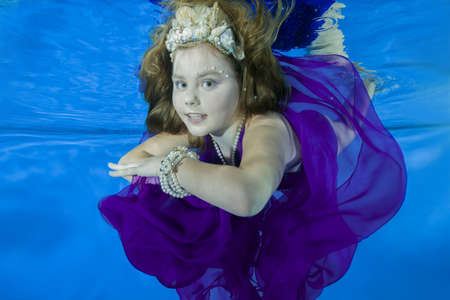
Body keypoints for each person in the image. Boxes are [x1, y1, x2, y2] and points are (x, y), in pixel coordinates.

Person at [99, 0, 407, 299]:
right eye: (181, 84)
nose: (190, 99)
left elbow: (249, 197)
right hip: (244, 134)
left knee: (343, 87)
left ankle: (336, 34)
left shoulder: (266, 130)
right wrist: (177, 168)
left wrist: (174, 168)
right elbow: (130, 165)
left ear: (243, 83)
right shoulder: (202, 119)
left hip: (329, 132)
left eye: (208, 83)